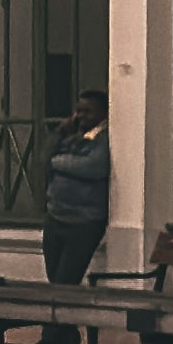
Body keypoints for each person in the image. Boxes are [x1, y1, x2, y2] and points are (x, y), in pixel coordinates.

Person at [40, 86, 111, 327]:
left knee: (64, 285)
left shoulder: (104, 137)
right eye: (78, 111)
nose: (81, 116)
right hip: (56, 218)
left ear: (103, 114)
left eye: (88, 112)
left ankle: (52, 340)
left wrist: (59, 162)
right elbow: (45, 159)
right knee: (56, 284)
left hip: (83, 222)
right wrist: (60, 133)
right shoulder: (72, 136)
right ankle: (65, 341)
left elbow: (94, 167)